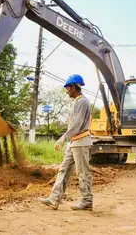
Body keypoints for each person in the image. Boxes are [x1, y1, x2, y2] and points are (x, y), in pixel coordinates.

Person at [38, 74, 93, 211]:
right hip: (74, 142)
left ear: (75, 87)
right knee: (63, 169)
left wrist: (63, 139)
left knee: (82, 172)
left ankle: (86, 201)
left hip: (80, 142)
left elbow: (76, 124)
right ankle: (54, 199)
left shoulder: (82, 101)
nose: (66, 90)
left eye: (68, 87)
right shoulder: (77, 102)